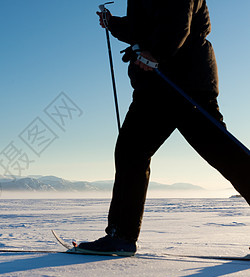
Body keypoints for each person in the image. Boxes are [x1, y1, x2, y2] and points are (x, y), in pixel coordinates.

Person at [77, 0, 250, 256]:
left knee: (223, 154)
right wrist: (113, 24)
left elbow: (178, 17)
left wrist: (156, 52)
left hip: (182, 82)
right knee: (132, 151)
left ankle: (122, 236)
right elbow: (144, 27)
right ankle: (121, 236)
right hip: (158, 84)